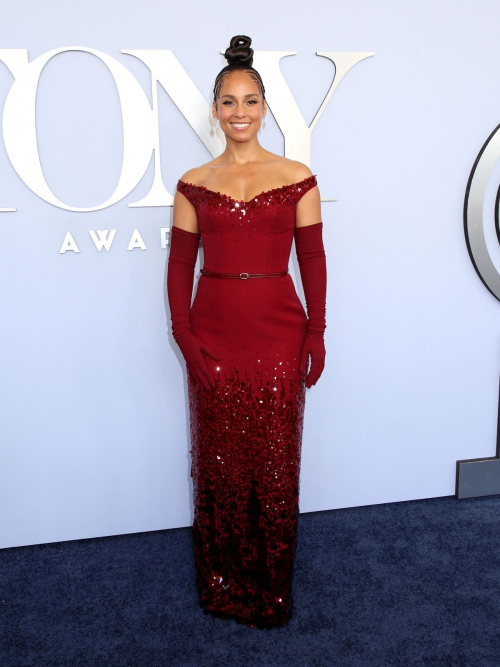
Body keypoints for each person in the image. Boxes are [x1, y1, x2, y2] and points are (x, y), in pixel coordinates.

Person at [167, 34, 327, 629]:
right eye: (229, 102)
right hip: (213, 332)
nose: (240, 113)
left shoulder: (297, 175)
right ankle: (222, 579)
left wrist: (317, 331)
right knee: (220, 460)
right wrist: (183, 335)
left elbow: (312, 259)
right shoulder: (192, 182)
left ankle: (269, 584)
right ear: (215, 110)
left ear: (265, 108)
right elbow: (180, 265)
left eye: (251, 101)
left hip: (279, 333)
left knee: (274, 460)